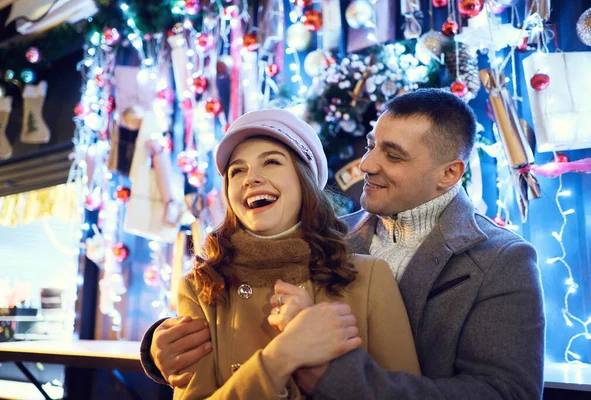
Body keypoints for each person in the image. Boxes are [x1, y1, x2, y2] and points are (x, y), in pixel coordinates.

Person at [141, 89, 545, 399]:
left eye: (393, 155)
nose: (367, 164)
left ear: (449, 173)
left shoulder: (502, 259)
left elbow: (505, 394)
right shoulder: (326, 238)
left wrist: (333, 374)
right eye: (371, 145)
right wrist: (161, 345)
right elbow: (239, 296)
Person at [160, 108, 421, 399]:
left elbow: (404, 394)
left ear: (304, 181)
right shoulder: (200, 287)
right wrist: (282, 356)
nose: (251, 179)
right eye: (238, 171)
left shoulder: (369, 277)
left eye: (271, 162)